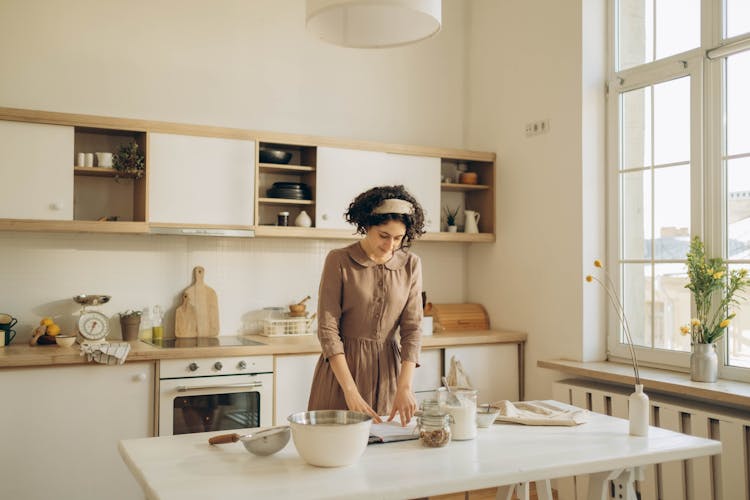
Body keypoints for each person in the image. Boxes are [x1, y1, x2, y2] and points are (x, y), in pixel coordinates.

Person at [307, 185, 426, 426]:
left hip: (388, 375)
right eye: (384, 235)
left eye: (398, 238)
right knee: (334, 450)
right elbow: (328, 330)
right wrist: (350, 391)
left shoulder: (411, 264)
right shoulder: (339, 260)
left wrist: (404, 387)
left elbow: (413, 329)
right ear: (366, 225)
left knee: (385, 454)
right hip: (342, 373)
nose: (390, 245)